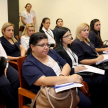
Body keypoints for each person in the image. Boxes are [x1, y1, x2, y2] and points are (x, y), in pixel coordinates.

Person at [22, 32, 92, 108]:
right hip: (48, 96)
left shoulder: (51, 52)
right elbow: (43, 81)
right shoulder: (28, 64)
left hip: (65, 87)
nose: (46, 47)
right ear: (32, 46)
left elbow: (66, 65)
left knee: (87, 104)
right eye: (42, 45)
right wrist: (67, 79)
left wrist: (62, 77)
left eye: (47, 44)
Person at [71, 23, 108, 108]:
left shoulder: (87, 40)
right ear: (79, 31)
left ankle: (103, 101)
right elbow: (81, 60)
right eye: (84, 30)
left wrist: (99, 56)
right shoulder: (77, 43)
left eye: (87, 30)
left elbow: (93, 52)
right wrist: (96, 59)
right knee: (104, 77)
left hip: (96, 64)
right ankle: (100, 103)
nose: (87, 32)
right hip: (89, 67)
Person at [0, 41, 19, 108]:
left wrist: (5, 66)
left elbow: (3, 55)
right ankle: (13, 105)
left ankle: (15, 102)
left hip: (2, 65)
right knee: (5, 84)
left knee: (17, 77)